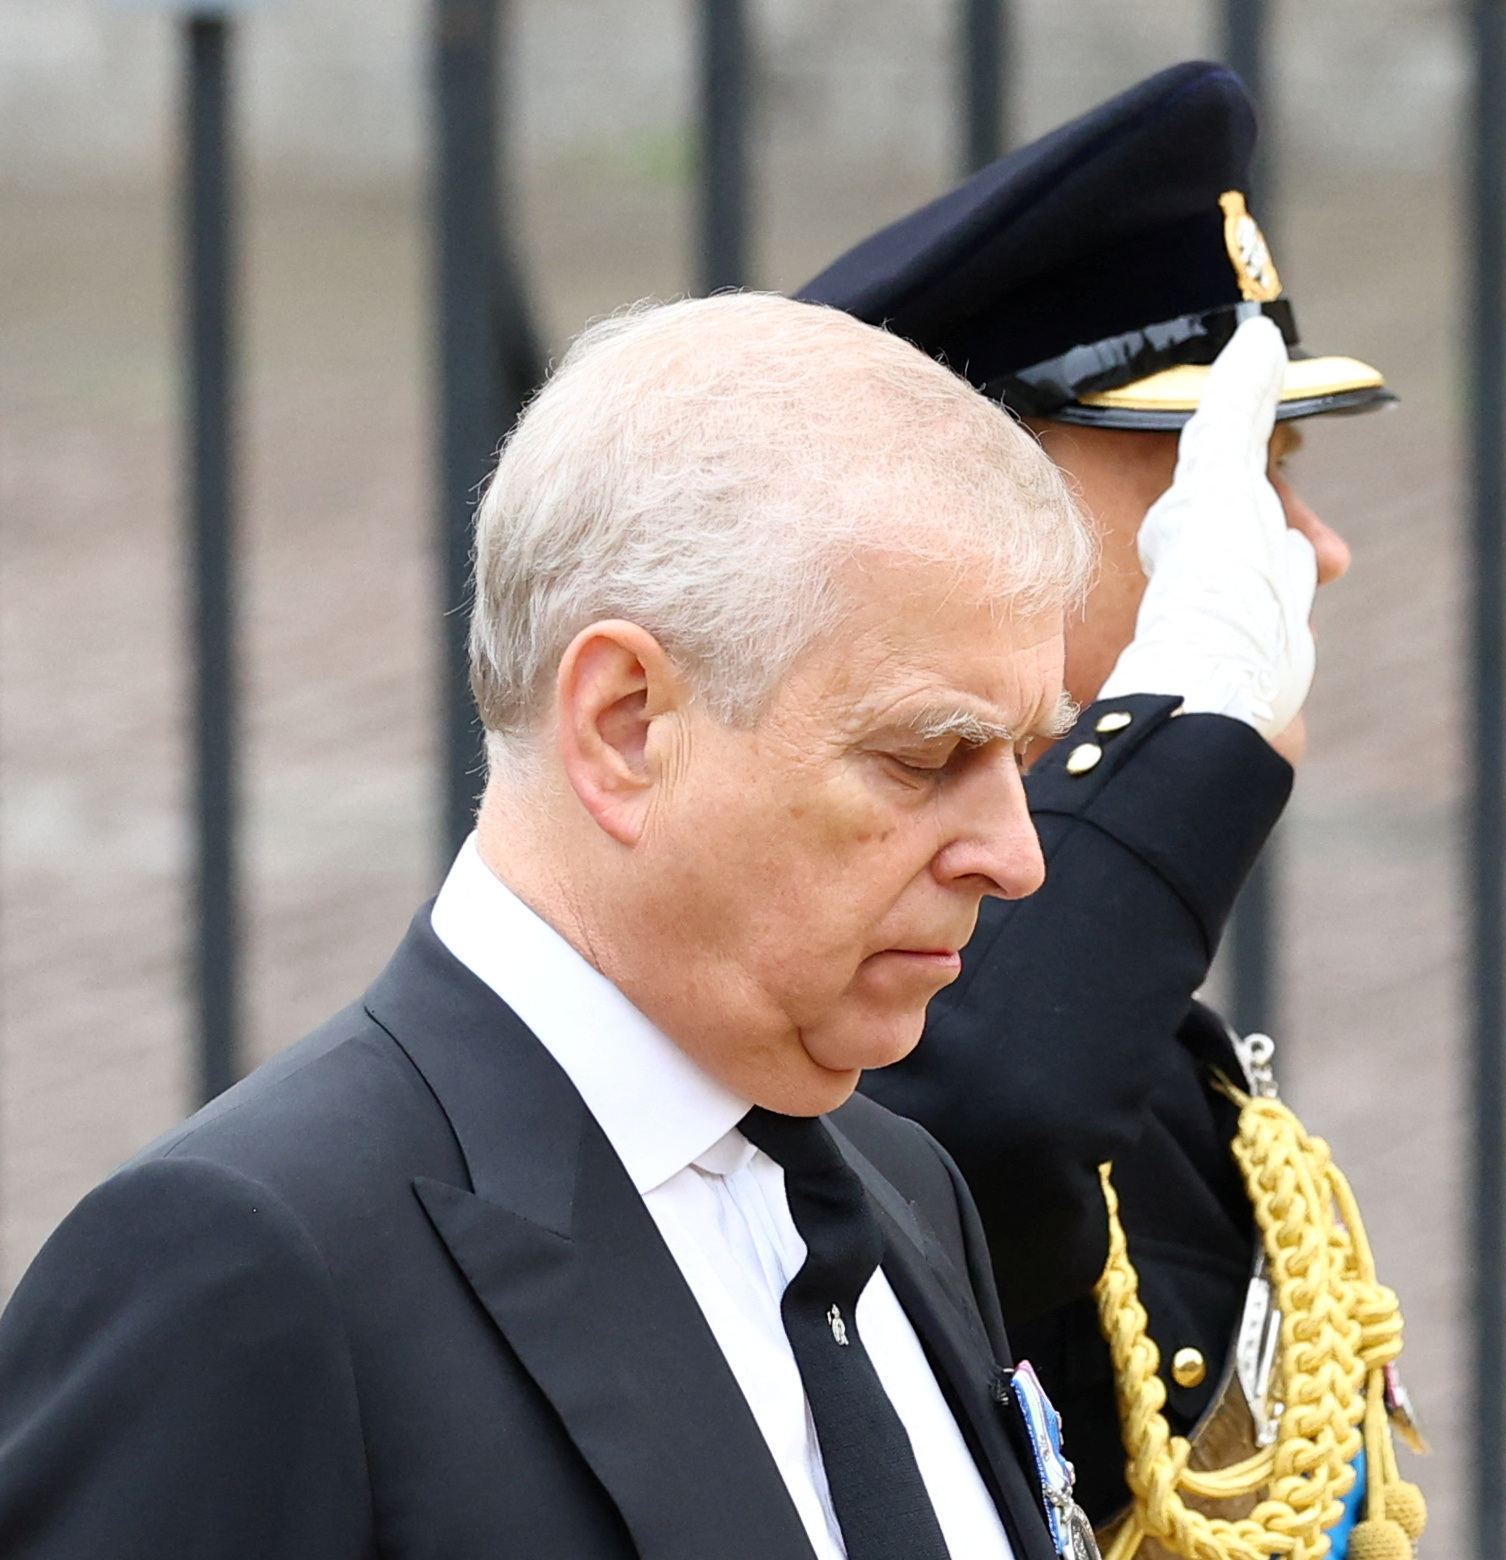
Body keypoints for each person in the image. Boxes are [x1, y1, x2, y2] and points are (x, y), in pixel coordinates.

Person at [0, 295, 1107, 1560]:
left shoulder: (899, 1187)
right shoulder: (249, 1268)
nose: (1015, 856)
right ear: (626, 725)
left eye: (1022, 756)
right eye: (929, 755)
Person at [802, 63, 1427, 1560]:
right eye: (1221, 476)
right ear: (961, 509)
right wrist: (1179, 744)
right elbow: (970, 1131)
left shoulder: (1088, 962)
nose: (1308, 548)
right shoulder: (849, 972)